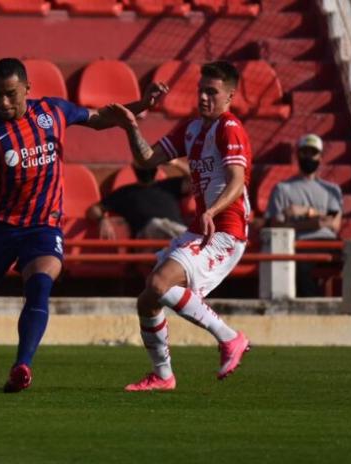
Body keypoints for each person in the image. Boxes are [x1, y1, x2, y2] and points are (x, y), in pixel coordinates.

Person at [0, 58, 168, 393]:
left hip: (43, 227)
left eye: (10, 94)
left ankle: (22, 365)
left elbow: (99, 118)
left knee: (40, 286)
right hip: (0, 228)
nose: (3, 102)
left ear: (27, 88)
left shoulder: (52, 112)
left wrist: (141, 105)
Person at [106, 61, 252, 392]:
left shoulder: (230, 128)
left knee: (159, 282)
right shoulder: (192, 129)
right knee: (148, 300)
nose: (203, 97)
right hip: (203, 229)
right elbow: (146, 160)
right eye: (201, 90)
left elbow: (237, 180)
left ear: (230, 95)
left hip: (226, 231)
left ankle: (230, 338)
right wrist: (131, 126)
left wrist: (211, 210)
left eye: (212, 92)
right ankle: (162, 375)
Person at [264, 134, 342, 297]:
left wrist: (305, 211)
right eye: (304, 152)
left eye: (312, 153)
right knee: (301, 266)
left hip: (328, 242)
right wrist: (315, 222)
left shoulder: (332, 189)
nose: (308, 157)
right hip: (298, 243)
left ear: (320, 157)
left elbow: (334, 223)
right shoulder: (282, 189)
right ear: (297, 155)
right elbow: (275, 224)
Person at [85, 162, 191, 240]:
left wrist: (175, 162)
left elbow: (197, 178)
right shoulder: (124, 192)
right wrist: (102, 220)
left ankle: (187, 241)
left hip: (174, 235)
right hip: (147, 238)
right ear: (134, 167)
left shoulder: (170, 185)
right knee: (156, 224)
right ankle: (188, 241)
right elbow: (94, 209)